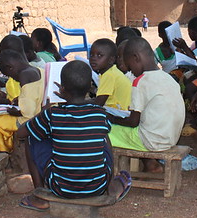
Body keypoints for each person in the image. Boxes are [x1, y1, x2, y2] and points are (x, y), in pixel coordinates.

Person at [16, 61, 132, 210]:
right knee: (103, 136)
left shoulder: (52, 114)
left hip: (61, 188)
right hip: (97, 187)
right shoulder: (100, 113)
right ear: (90, 87)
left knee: (32, 136)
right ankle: (110, 186)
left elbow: (21, 133)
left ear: (62, 89)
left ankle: (40, 196)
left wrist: (42, 112)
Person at [108, 37, 185, 172]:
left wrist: (112, 119)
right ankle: (150, 164)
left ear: (136, 58)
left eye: (130, 67)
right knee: (142, 128)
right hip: (171, 138)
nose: (131, 72)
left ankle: (110, 174)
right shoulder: (168, 78)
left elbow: (133, 122)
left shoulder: (141, 81)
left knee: (104, 130)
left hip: (151, 141)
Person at [0, 50, 45, 153]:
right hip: (39, 113)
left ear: (10, 68)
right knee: (3, 123)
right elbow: (33, 95)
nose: (13, 78)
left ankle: (4, 153)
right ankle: (9, 148)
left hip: (28, 120)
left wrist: (15, 112)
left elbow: (28, 113)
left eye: (10, 75)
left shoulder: (24, 75)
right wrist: (20, 99)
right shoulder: (38, 70)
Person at [89, 38, 132, 110]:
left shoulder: (109, 75)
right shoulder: (111, 72)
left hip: (121, 113)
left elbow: (98, 103)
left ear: (111, 60)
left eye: (99, 55)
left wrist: (77, 103)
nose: (93, 58)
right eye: (91, 55)